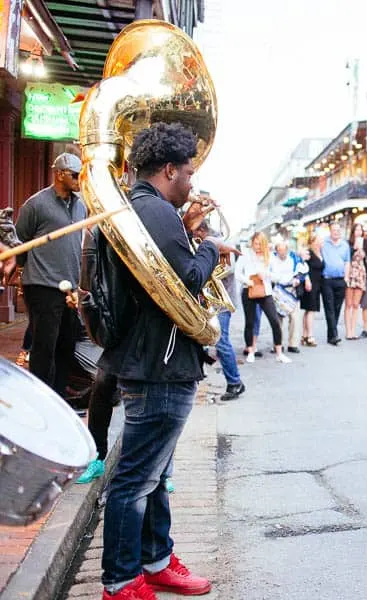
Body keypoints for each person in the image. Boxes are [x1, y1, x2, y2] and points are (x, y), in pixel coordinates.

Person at [98, 122, 232, 598]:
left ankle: (154, 560)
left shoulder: (146, 210)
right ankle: (120, 580)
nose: (192, 182)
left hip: (153, 360)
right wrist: (211, 248)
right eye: (189, 172)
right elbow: (186, 280)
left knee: (154, 476)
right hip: (160, 364)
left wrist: (192, 233)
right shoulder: (155, 213)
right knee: (136, 480)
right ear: (170, 169)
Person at [14, 152, 86, 397]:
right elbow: (19, 242)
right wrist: (24, 274)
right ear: (59, 174)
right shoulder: (36, 204)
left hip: (70, 289)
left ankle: (59, 402)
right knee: (45, 348)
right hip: (42, 286)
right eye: (75, 175)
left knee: (66, 347)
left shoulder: (81, 205)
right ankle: (41, 401)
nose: (79, 180)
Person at [193, 219, 245, 401]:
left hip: (221, 302)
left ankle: (235, 382)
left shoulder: (221, 243)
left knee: (221, 342)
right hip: (211, 302)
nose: (194, 236)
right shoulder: (202, 242)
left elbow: (227, 270)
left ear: (202, 230)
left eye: (195, 232)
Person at [234, 233, 291, 363]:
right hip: (249, 290)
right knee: (250, 322)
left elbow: (278, 276)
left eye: (260, 244)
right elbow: (238, 273)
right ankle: (250, 350)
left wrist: (266, 274)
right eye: (255, 243)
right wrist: (248, 281)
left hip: (265, 291)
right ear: (252, 242)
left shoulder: (269, 256)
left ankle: (279, 353)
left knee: (275, 321)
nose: (257, 247)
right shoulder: (245, 254)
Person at [271, 240, 304, 353]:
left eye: (284, 250)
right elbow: (269, 273)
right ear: (276, 251)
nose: (282, 252)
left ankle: (293, 344)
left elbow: (302, 269)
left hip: (292, 289)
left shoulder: (293, 258)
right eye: (280, 250)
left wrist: (298, 279)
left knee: (295, 318)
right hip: (278, 290)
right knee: (278, 319)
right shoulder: (272, 260)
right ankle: (277, 344)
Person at [321, 222, 351, 345]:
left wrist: (347, 278)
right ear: (330, 231)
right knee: (329, 307)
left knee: (337, 308)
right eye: (334, 230)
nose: (336, 232)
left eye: (338, 230)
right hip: (327, 279)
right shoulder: (324, 243)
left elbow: (347, 262)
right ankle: (334, 335)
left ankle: (331, 335)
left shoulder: (345, 245)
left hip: (340, 279)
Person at [344, 223, 367, 340]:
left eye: (360, 230)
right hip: (350, 273)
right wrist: (354, 249)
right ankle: (348, 331)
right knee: (348, 304)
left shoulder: (365, 243)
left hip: (360, 274)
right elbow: (346, 258)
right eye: (357, 230)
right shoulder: (348, 244)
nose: (359, 232)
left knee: (355, 305)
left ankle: (353, 331)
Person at [300, 233, 323, 347]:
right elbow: (303, 266)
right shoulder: (308, 252)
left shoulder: (320, 252)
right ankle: (310, 335)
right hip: (310, 283)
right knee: (311, 310)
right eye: (319, 240)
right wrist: (307, 280)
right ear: (313, 241)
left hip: (317, 283)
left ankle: (304, 335)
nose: (321, 242)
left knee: (308, 310)